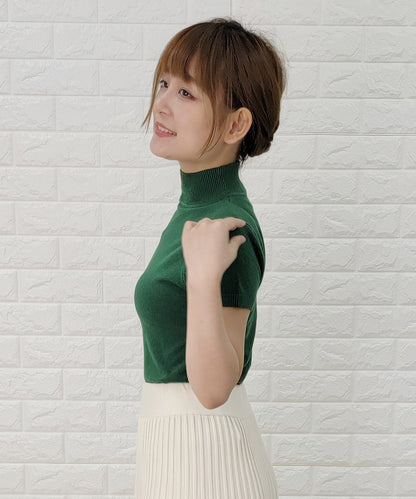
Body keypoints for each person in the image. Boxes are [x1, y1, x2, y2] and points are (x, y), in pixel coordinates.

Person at [133, 17, 287, 499]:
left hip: (209, 462)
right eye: (164, 83)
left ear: (236, 124)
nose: (161, 103)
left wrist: (203, 280)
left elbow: (215, 388)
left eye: (187, 93)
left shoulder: (227, 223)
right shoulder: (196, 209)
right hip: (174, 451)